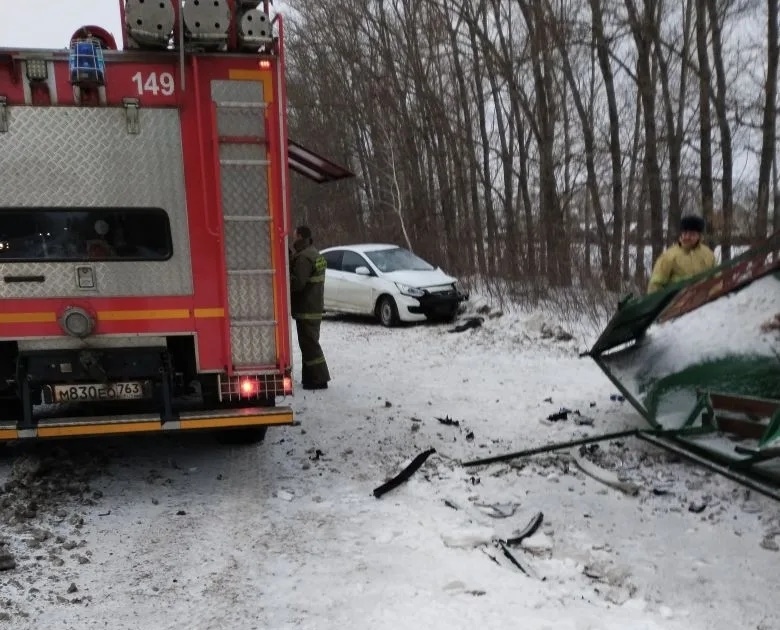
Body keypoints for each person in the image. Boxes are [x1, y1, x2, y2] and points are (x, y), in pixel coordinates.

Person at [289, 225, 331, 390]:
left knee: (310, 345)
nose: (293, 239)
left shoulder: (304, 257)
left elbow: (298, 283)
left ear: (300, 236)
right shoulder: (314, 253)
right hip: (313, 306)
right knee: (308, 343)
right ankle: (310, 378)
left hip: (306, 308)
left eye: (294, 236)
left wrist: (284, 279)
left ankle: (320, 378)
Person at [647, 214, 716, 293]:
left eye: (692, 234)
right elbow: (655, 285)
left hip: (704, 301)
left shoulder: (708, 254)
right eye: (685, 233)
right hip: (677, 303)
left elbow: (716, 278)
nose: (687, 237)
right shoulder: (669, 256)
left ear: (699, 236)